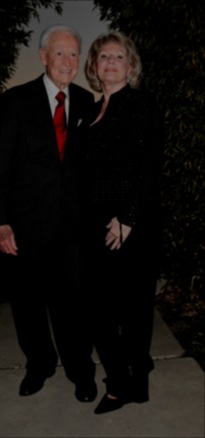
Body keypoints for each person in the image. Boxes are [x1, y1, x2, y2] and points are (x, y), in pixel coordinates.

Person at [0, 24, 97, 402]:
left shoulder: (86, 102)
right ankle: (40, 365)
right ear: (44, 56)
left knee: (74, 306)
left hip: (74, 231)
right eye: (60, 53)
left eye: (73, 54)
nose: (68, 61)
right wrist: (0, 222)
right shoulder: (16, 101)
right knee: (29, 306)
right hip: (26, 228)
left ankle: (82, 371)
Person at [79, 31, 163, 415]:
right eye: (103, 57)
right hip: (96, 220)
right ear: (94, 66)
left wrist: (127, 219)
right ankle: (131, 376)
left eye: (118, 57)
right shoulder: (93, 110)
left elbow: (149, 167)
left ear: (130, 65)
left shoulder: (141, 104)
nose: (110, 62)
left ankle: (124, 384)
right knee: (100, 308)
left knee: (132, 308)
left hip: (131, 219)